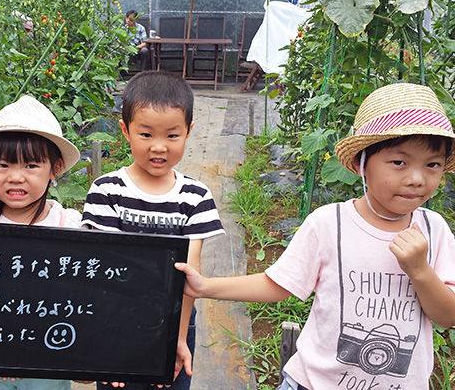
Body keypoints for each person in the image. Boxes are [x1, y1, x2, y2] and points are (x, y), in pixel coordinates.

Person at [175, 83, 455, 389]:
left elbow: (447, 316)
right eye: (399, 162)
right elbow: (280, 283)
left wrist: (420, 271)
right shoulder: (329, 224)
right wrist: (206, 287)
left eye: (432, 165)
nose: (416, 179)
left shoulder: (434, 231)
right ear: (362, 163)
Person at [82, 70, 225, 389]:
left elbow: (191, 272)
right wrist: (107, 335)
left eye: (172, 136)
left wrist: (176, 337)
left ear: (188, 132)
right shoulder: (107, 190)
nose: (159, 147)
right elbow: (102, 269)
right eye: (146, 135)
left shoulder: (195, 196)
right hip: (117, 320)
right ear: (125, 131)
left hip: (175, 322)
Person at [0, 95, 83, 390]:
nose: (15, 178)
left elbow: (78, 297)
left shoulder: (67, 225)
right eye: (2, 165)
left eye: (31, 166)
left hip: (47, 360)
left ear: (54, 169)